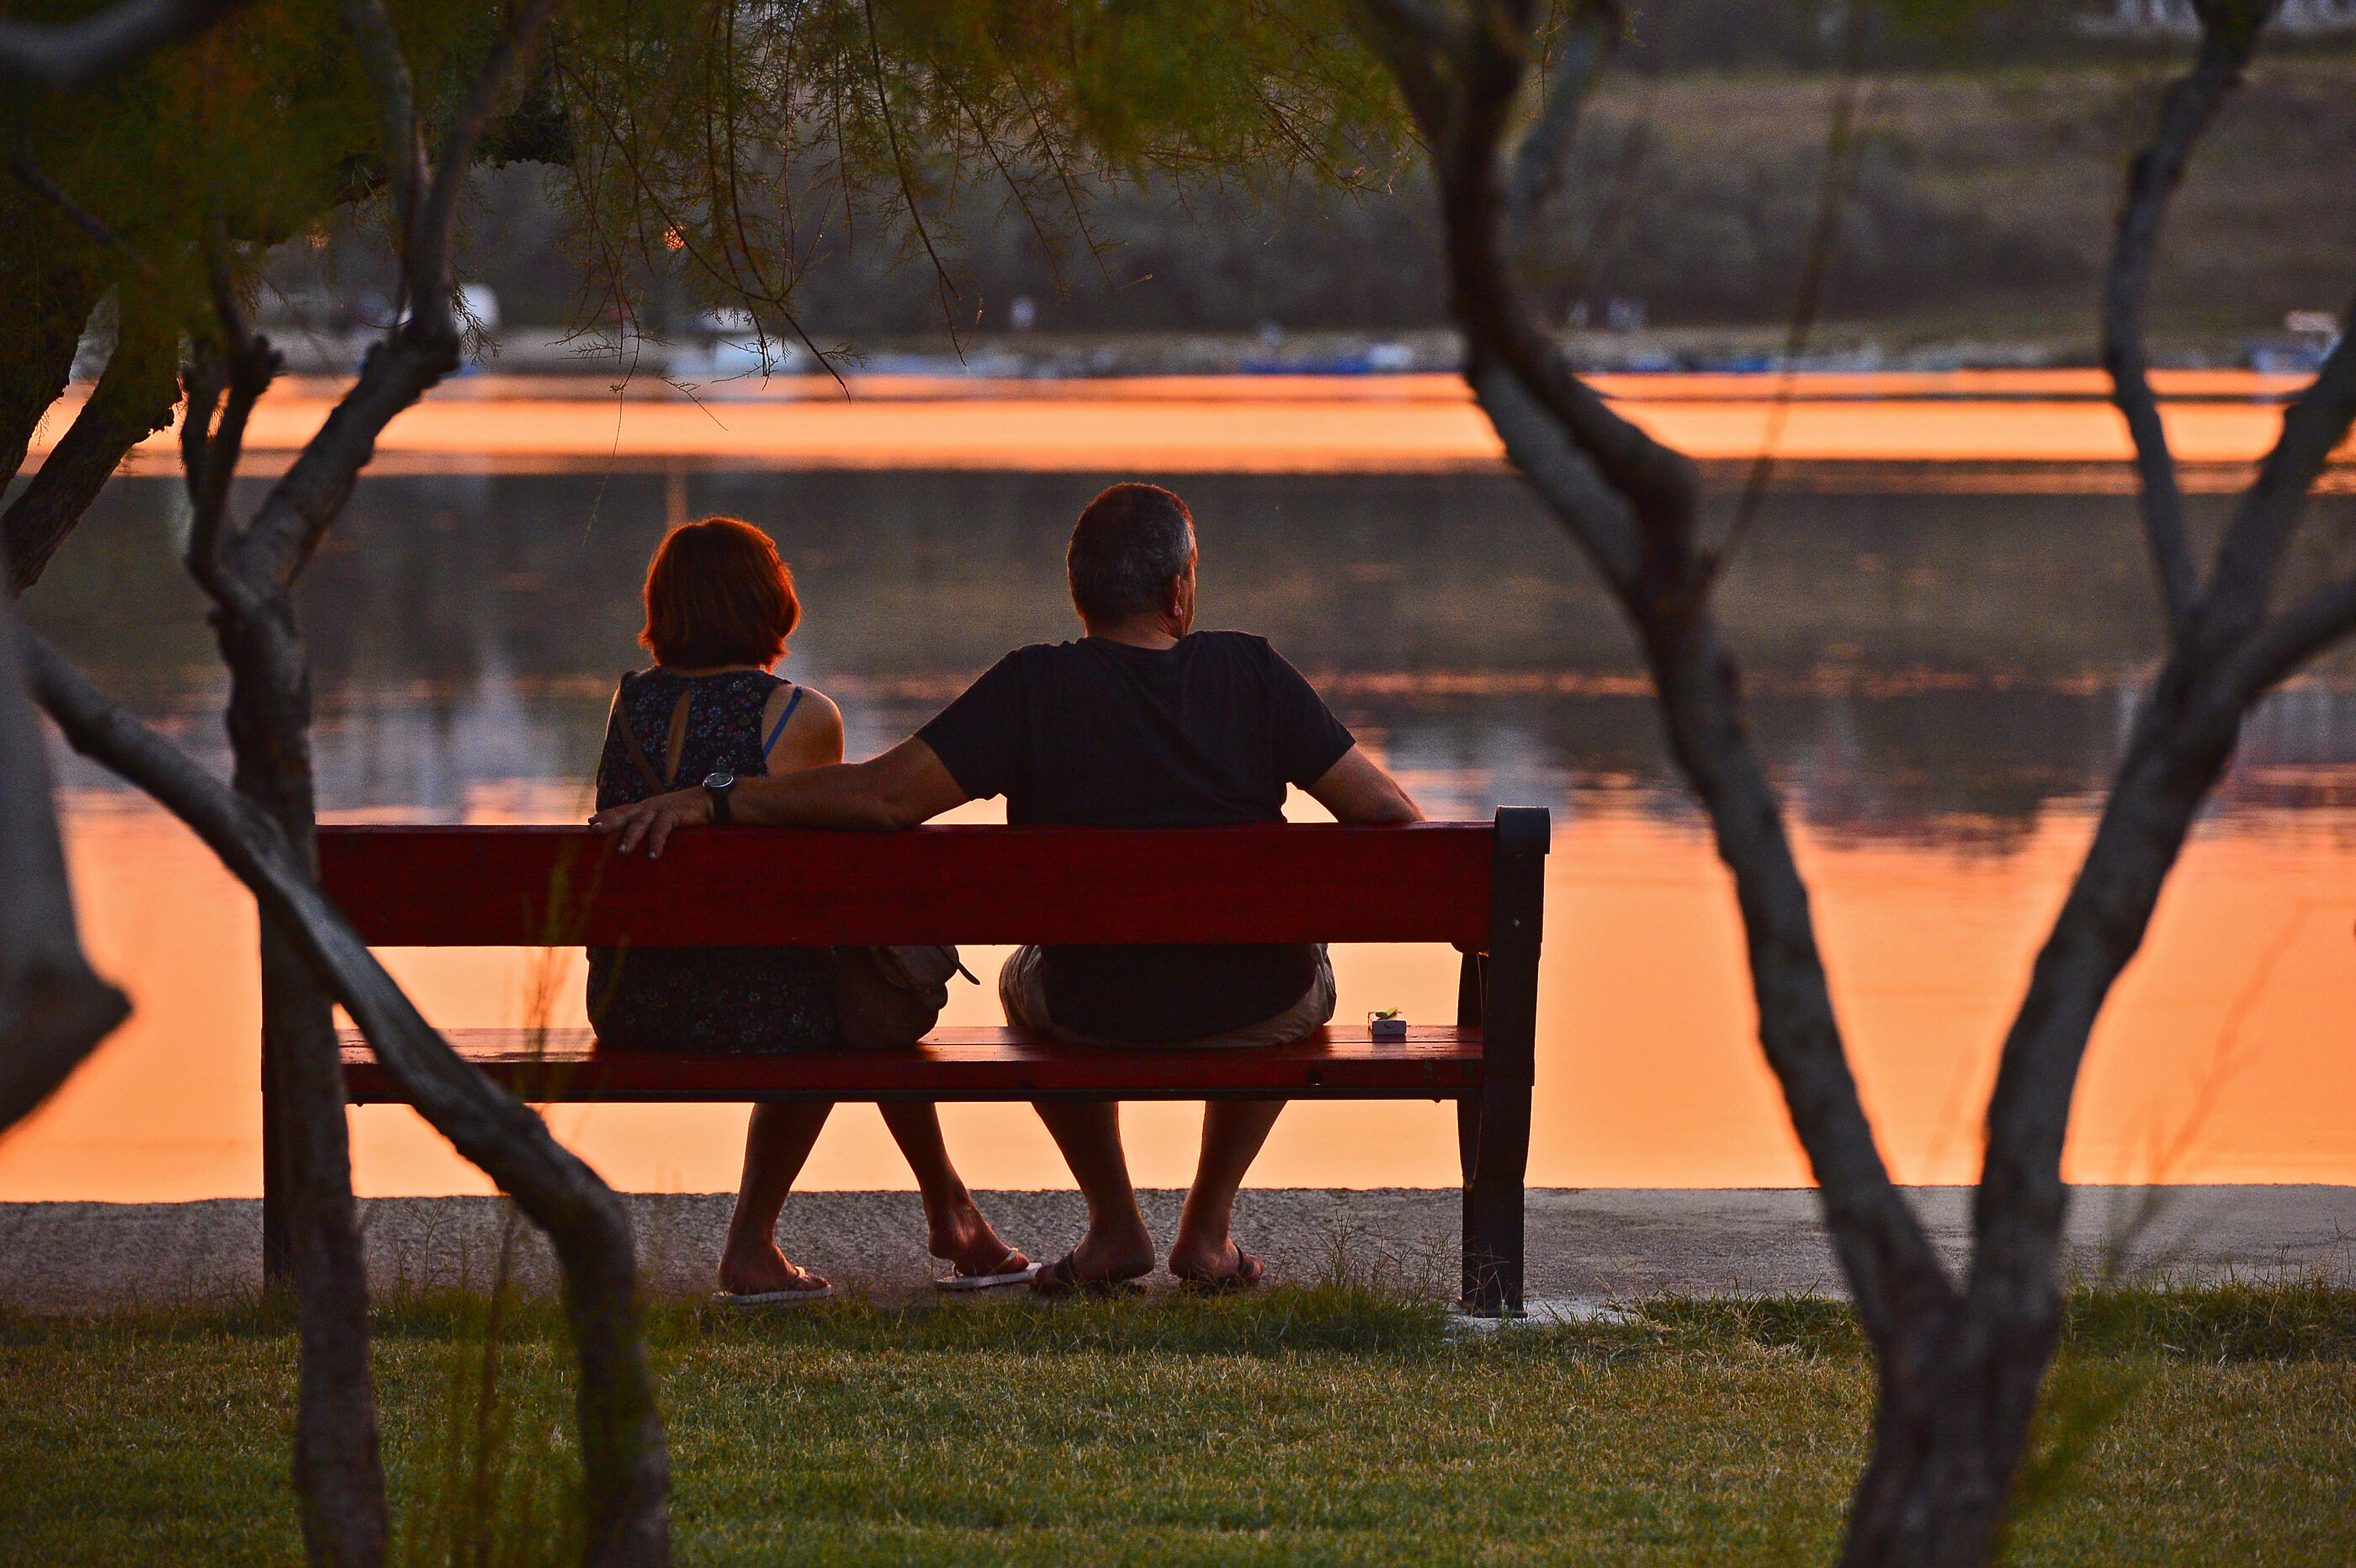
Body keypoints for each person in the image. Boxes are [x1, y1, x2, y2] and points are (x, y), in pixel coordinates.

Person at [592, 485, 1424, 1294]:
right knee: (1287, 970)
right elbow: (1386, 812)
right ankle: (1205, 1234)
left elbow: (885, 797)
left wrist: (721, 797)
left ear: (1080, 596)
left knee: (1027, 980)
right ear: (1178, 593)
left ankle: (1113, 1223)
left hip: (1090, 1006)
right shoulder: (1252, 669)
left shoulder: (1032, 686)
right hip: (1256, 1005)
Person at [590, 516, 1028, 1304]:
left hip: (629, 1003)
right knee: (860, 1005)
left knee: (850, 995)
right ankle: (866, 1227)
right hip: (760, 1010)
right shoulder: (798, 715)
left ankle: (953, 1214)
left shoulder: (625, 712)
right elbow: (828, 890)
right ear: (770, 602)